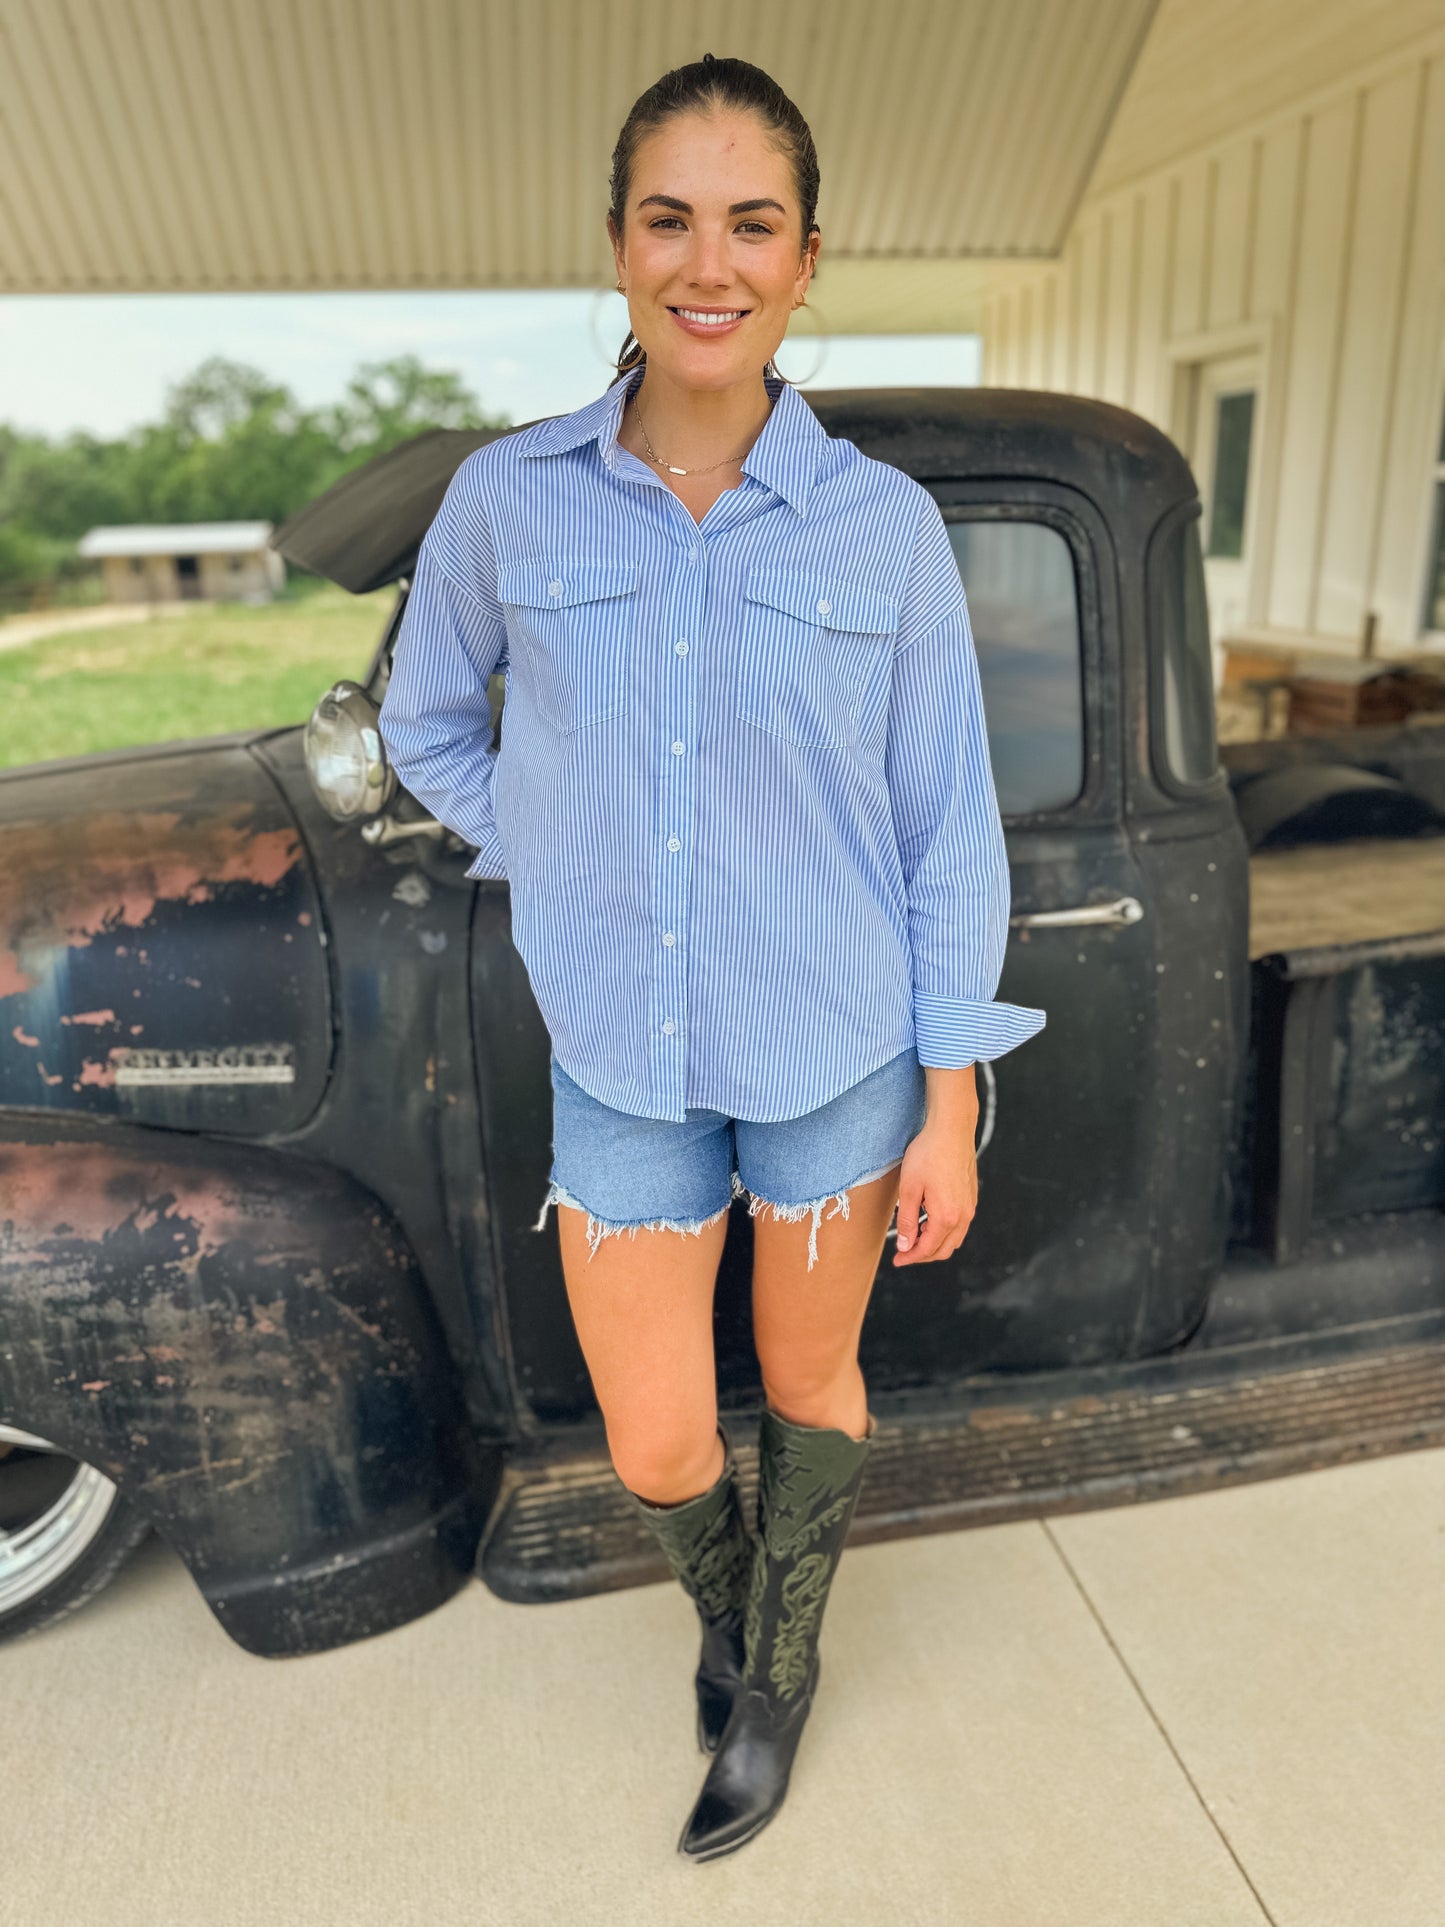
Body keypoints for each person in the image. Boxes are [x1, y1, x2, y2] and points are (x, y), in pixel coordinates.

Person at [378, 51, 1045, 1863]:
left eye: (751, 223)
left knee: (809, 1384)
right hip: (622, 1065)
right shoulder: (511, 504)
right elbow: (425, 728)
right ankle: (728, 1596)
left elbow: (943, 829)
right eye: (669, 216)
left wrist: (949, 1094)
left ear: (805, 260)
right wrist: (570, 856)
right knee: (663, 1440)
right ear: (616, 244)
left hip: (835, 1057)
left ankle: (779, 1665)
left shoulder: (879, 530)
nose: (709, 259)